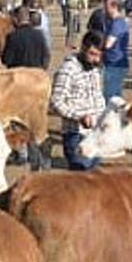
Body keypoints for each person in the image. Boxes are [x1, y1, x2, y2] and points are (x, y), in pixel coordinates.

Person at [50, 31, 106, 171]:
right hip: (76, 135)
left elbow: (98, 96)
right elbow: (55, 101)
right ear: (83, 47)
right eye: (92, 54)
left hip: (96, 135)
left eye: (99, 55)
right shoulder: (68, 70)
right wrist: (79, 117)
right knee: (80, 178)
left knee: (94, 178)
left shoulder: (95, 69)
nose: (96, 59)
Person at [97, 0, 130, 98]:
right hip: (114, 63)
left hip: (115, 63)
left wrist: (97, 46)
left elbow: (108, 44)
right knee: (114, 94)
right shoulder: (114, 22)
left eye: (106, 7)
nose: (104, 9)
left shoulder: (117, 24)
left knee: (110, 95)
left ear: (114, 7)